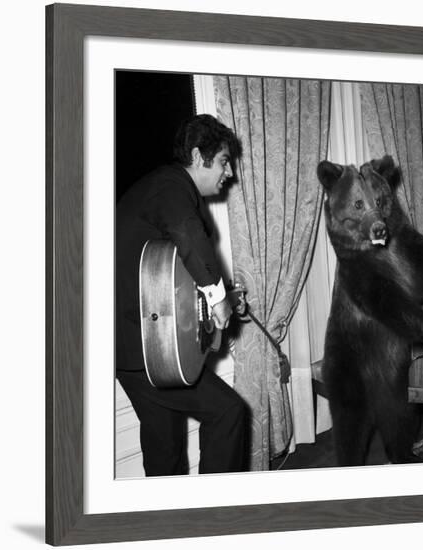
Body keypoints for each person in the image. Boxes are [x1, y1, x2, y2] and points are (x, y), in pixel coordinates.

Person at [115, 114, 247, 476]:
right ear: (196, 155)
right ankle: (212, 515)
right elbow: (187, 235)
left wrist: (224, 298)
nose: (230, 172)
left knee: (165, 448)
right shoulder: (171, 186)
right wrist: (219, 298)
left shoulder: (161, 190)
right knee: (228, 412)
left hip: (136, 351)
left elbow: (171, 279)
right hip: (143, 351)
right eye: (223, 161)